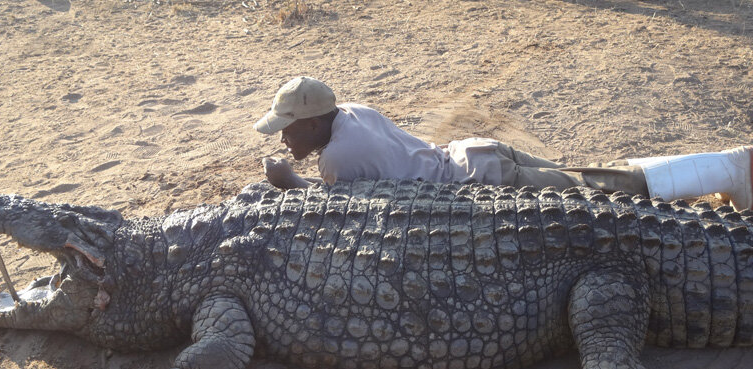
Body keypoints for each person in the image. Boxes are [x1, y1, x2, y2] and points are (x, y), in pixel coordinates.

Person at [255, 76, 753, 211]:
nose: (284, 135)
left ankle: (728, 169)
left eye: (288, 128)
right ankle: (720, 171)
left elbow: (338, 213)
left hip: (485, 180)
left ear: (317, 124)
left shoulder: (339, 158)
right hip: (476, 152)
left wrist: (289, 181)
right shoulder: (354, 111)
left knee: (604, 191)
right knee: (594, 176)